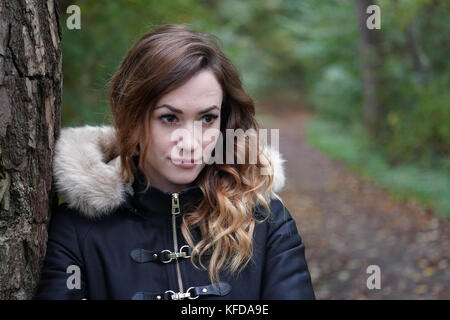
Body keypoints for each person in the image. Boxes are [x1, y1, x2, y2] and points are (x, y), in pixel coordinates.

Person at [34, 24, 315, 300]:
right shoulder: (78, 228)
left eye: (207, 118)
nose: (191, 143)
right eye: (169, 118)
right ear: (133, 120)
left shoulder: (267, 220)